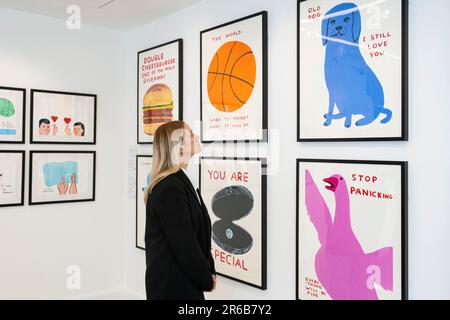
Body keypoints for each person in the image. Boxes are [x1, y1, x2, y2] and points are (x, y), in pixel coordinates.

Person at [144, 120, 216, 300]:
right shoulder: (170, 188)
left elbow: (199, 234)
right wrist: (206, 278)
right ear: (180, 148)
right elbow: (185, 245)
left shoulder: (181, 182)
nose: (197, 137)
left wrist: (210, 269)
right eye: (191, 134)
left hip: (184, 284)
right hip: (173, 289)